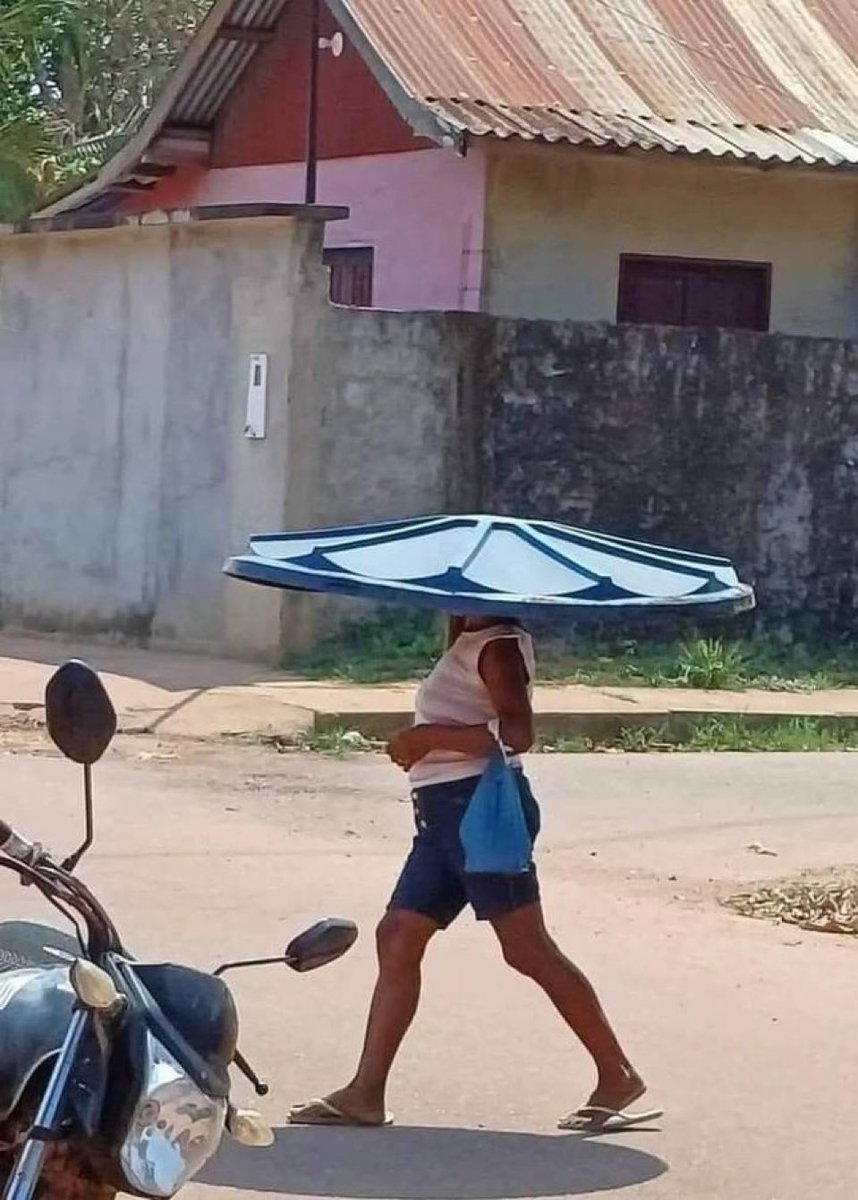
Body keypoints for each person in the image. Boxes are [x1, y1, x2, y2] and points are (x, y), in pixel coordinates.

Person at [289, 614, 648, 1131]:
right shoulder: (469, 638)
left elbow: (518, 734)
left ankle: (617, 1074)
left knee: (526, 947)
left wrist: (428, 737)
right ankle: (365, 1092)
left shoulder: (497, 646)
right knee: (398, 936)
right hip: (441, 816)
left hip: (480, 811)